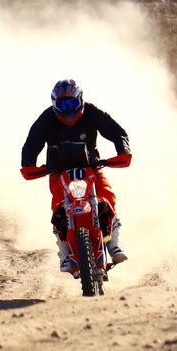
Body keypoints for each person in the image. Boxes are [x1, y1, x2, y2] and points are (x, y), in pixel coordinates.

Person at [20, 79, 132, 273]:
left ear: (80, 100)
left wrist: (123, 150)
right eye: (61, 105)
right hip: (58, 171)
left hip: (91, 167)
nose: (67, 109)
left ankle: (114, 244)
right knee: (58, 206)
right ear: (54, 104)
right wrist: (28, 165)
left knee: (108, 196)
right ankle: (64, 252)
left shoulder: (91, 112)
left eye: (71, 103)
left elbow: (116, 131)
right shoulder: (46, 119)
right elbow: (32, 143)